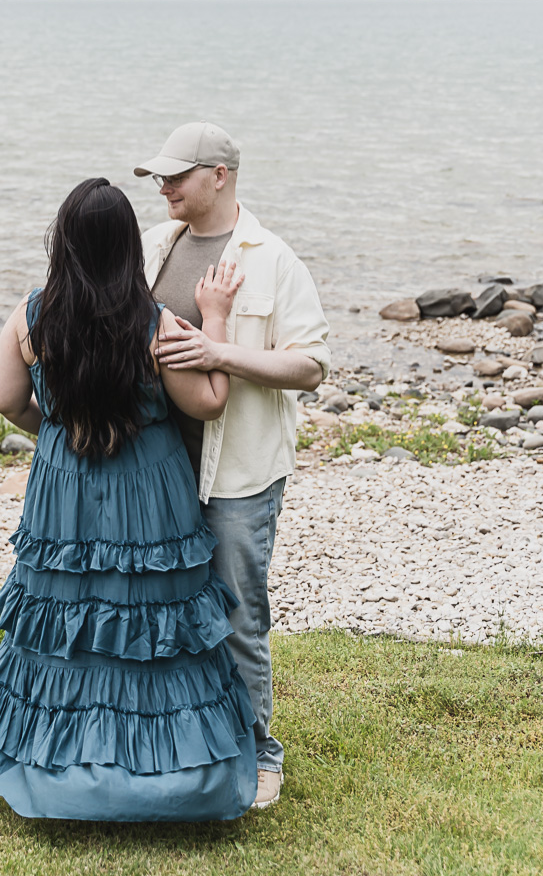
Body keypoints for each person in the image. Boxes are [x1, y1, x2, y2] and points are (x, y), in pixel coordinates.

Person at [0, 177, 259, 821]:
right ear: (128, 247)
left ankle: (52, 767)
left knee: (67, 619)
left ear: (62, 243)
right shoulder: (156, 324)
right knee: (152, 622)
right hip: (149, 488)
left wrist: (59, 433)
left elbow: (5, 400)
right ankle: (172, 776)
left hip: (63, 485)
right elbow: (208, 401)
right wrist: (219, 318)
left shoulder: (32, 315)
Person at [134, 122, 330, 810]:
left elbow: (310, 365)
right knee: (169, 611)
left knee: (239, 613)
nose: (163, 188)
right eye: (158, 177)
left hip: (240, 474)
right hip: (158, 467)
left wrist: (221, 355)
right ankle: (187, 744)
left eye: (175, 177)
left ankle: (259, 754)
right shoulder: (157, 247)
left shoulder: (273, 259)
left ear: (220, 174)